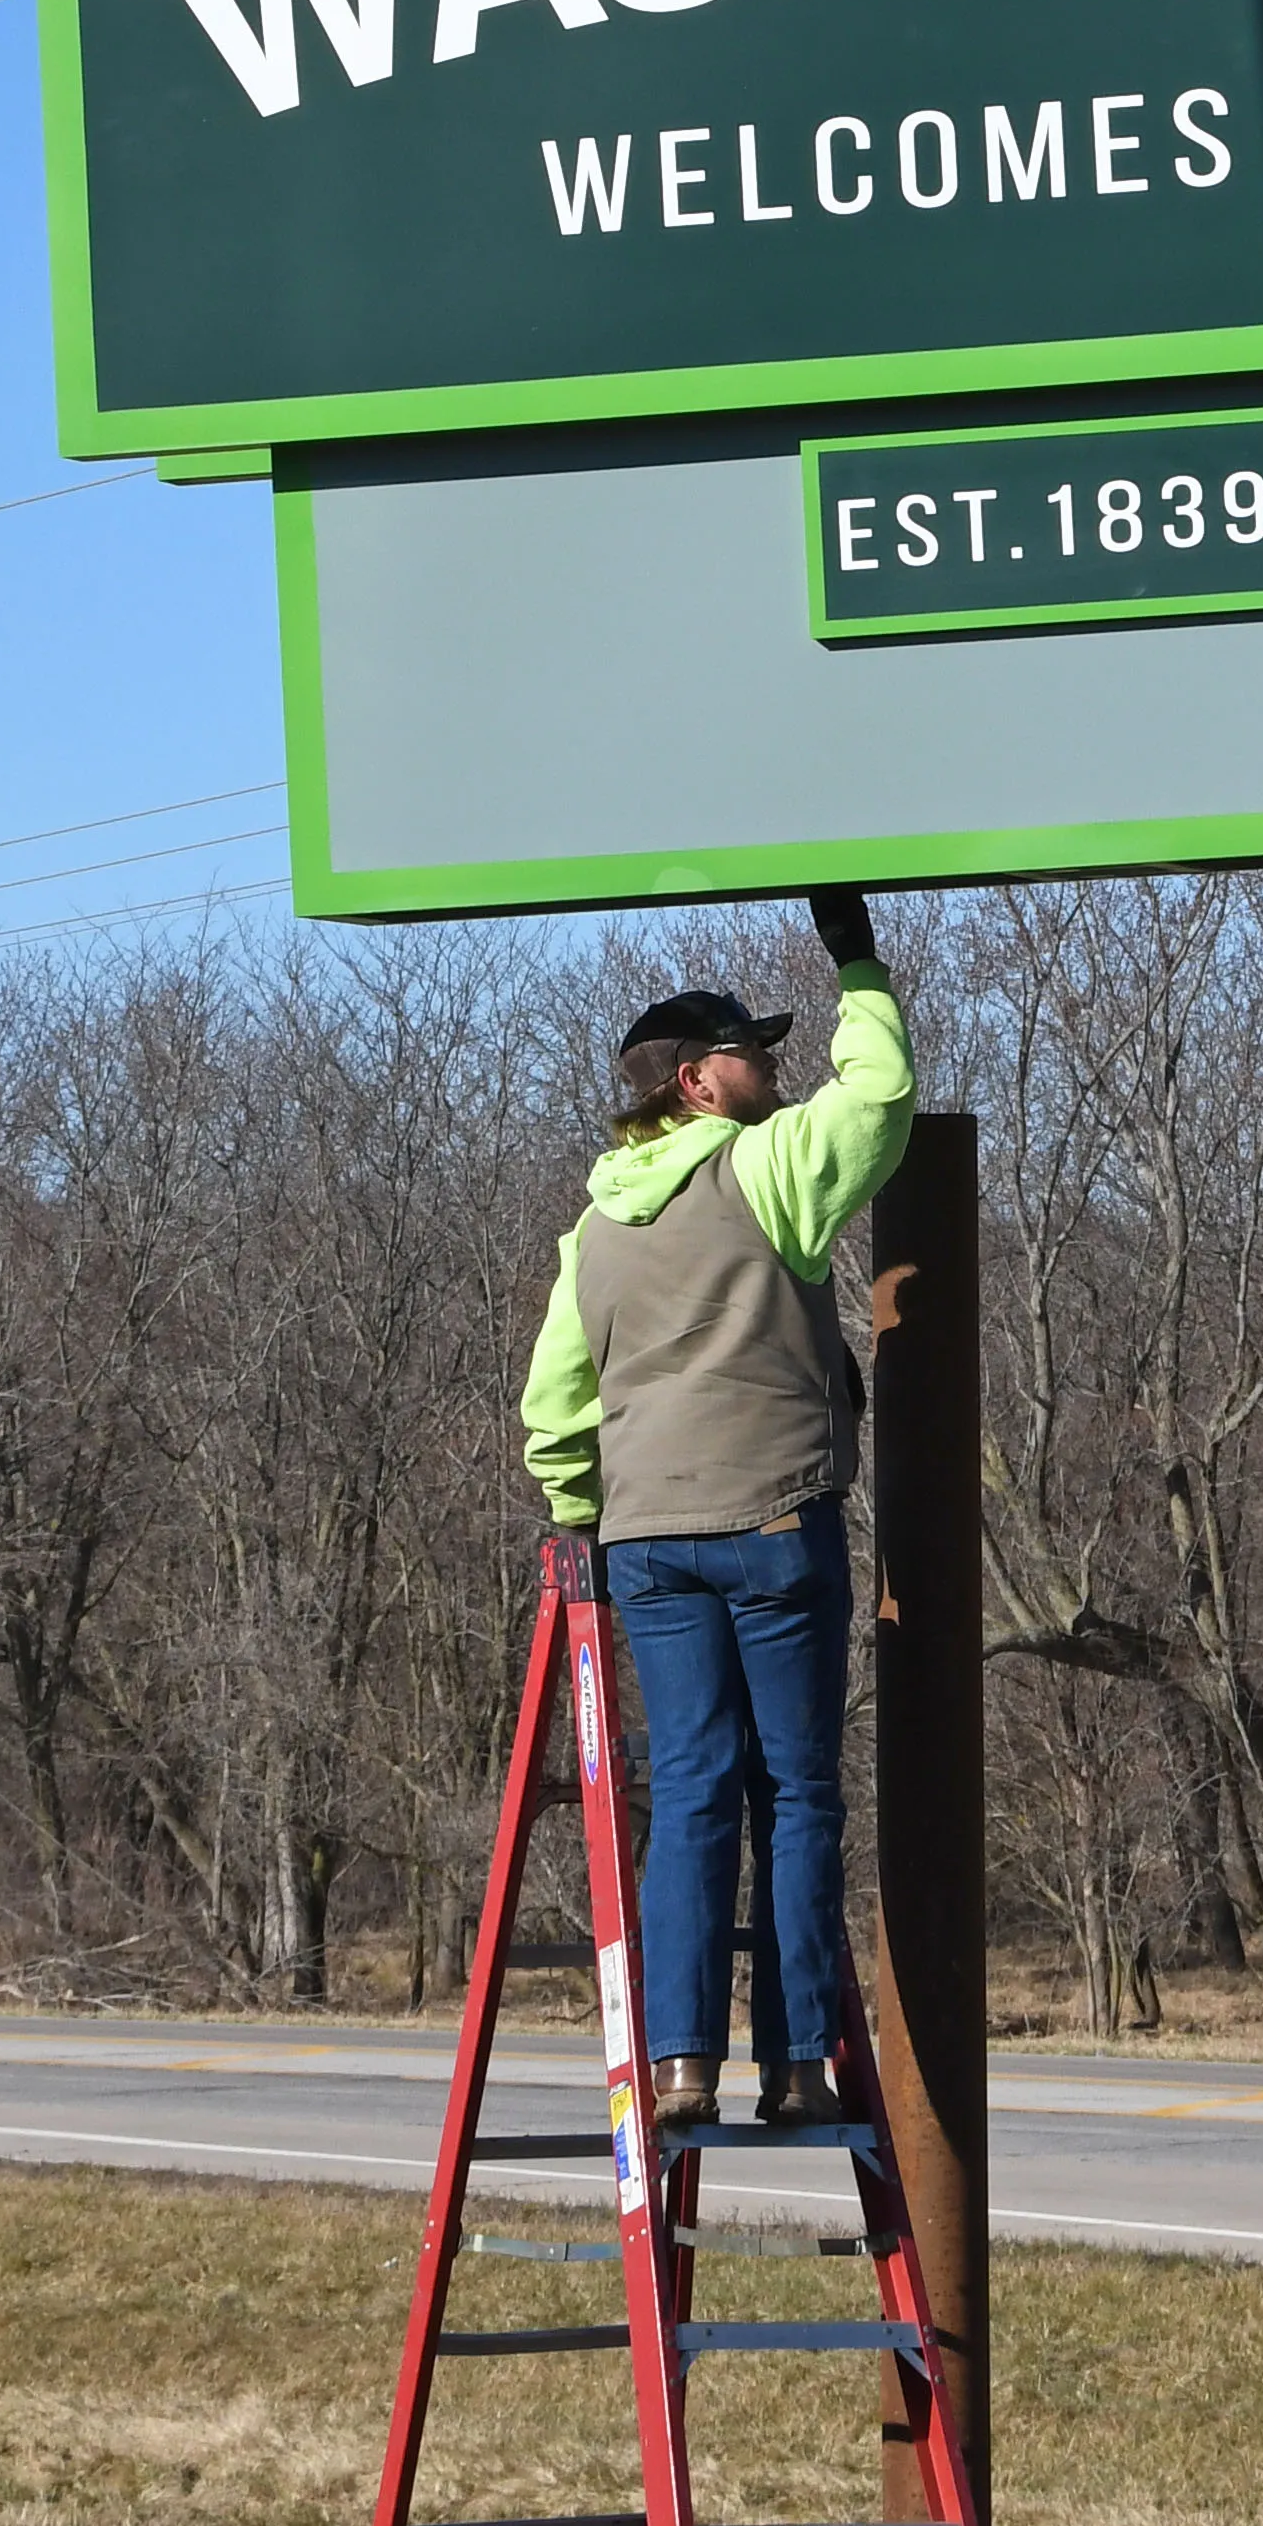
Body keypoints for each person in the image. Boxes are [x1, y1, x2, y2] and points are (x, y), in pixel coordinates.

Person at [520, 885, 911, 2129]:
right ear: (696, 1081)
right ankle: (796, 2067)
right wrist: (858, 965)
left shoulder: (593, 1228)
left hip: (645, 1545)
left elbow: (555, 1404)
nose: (775, 1069)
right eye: (754, 1052)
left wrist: (585, 1510)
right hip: (773, 1518)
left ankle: (679, 2068)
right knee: (794, 1793)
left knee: (690, 1792)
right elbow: (879, 1101)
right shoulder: (765, 1166)